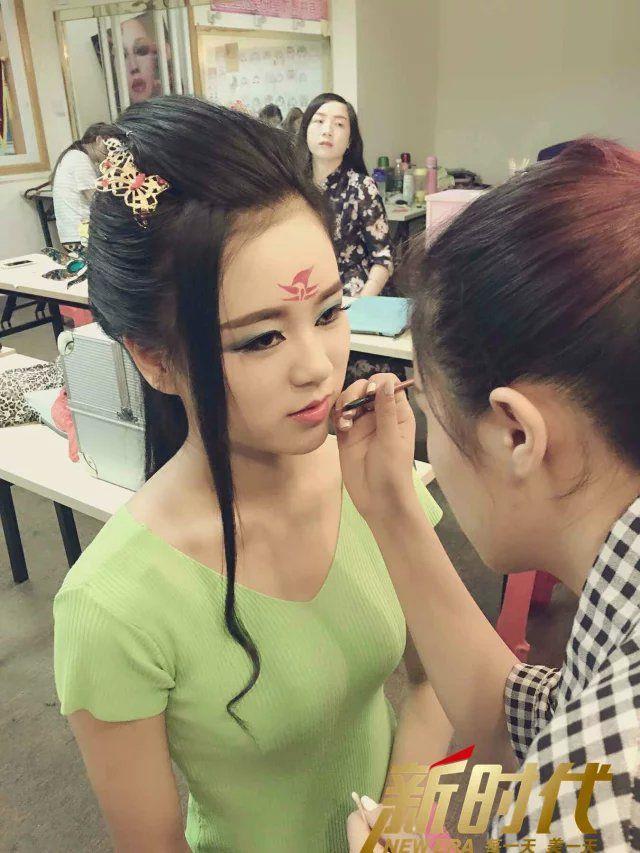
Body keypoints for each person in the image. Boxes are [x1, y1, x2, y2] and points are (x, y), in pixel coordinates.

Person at [52, 96, 446, 853]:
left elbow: (440, 683)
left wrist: (400, 831)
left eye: (328, 312)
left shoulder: (371, 479)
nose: (318, 366)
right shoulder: (113, 606)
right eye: (261, 338)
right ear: (154, 358)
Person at [337, 139, 640, 850]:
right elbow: (530, 721)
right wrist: (392, 505)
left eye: (430, 407)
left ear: (516, 433)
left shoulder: (592, 802)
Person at [298, 93, 393, 300]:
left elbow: (383, 259)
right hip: (304, 296)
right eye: (319, 121)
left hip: (353, 297)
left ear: (350, 140)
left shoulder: (361, 187)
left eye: (339, 124)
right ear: (305, 131)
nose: (327, 130)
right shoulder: (292, 187)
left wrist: (362, 302)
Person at [51, 123, 110, 248]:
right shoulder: (80, 159)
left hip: (73, 234)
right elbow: (95, 199)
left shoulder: (73, 155)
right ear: (99, 140)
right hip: (80, 236)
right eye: (108, 148)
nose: (109, 154)